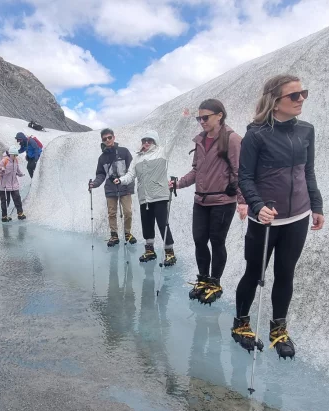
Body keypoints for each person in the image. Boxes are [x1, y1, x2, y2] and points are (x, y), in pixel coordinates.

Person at [230, 74, 325, 360]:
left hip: (298, 216)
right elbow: (244, 177)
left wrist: (316, 205)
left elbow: (308, 171)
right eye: (294, 96)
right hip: (266, 220)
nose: (301, 100)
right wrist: (257, 205)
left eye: (303, 94)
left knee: (286, 273)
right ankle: (241, 324)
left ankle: (278, 330)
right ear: (275, 101)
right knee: (254, 273)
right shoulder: (256, 135)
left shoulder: (306, 130)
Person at [172, 99, 247, 305]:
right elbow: (196, 170)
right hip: (201, 200)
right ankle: (203, 279)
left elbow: (239, 171)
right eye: (199, 118)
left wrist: (242, 201)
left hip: (223, 200)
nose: (201, 122)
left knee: (217, 241)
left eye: (205, 117)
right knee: (199, 240)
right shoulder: (200, 140)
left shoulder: (232, 139)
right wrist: (178, 184)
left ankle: (215, 283)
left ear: (219, 115)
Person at [117, 131, 176, 266]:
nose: (146, 143)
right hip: (144, 197)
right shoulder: (137, 158)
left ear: (155, 141)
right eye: (144, 140)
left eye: (149, 140)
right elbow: (131, 175)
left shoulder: (162, 152)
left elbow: (174, 136)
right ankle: (149, 250)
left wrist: (183, 118)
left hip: (160, 196)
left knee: (163, 224)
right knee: (147, 224)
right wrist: (120, 180)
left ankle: (169, 252)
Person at [89, 128, 136, 247]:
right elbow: (101, 174)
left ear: (114, 138)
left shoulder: (124, 152)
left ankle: (127, 233)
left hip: (124, 186)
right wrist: (94, 184)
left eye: (109, 137)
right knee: (112, 213)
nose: (107, 140)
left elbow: (132, 170)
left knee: (128, 212)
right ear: (102, 141)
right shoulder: (102, 158)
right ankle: (114, 235)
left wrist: (130, 185)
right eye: (105, 139)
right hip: (110, 188)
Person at [0, 146, 27, 222]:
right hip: (4, 185)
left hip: (13, 184)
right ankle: (4, 216)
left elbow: (17, 169)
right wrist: (2, 170)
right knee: (4, 201)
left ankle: (20, 214)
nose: (16, 156)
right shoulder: (4, 161)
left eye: (16, 155)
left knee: (17, 199)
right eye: (15, 155)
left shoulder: (15, 160)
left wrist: (20, 174)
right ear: (11, 154)